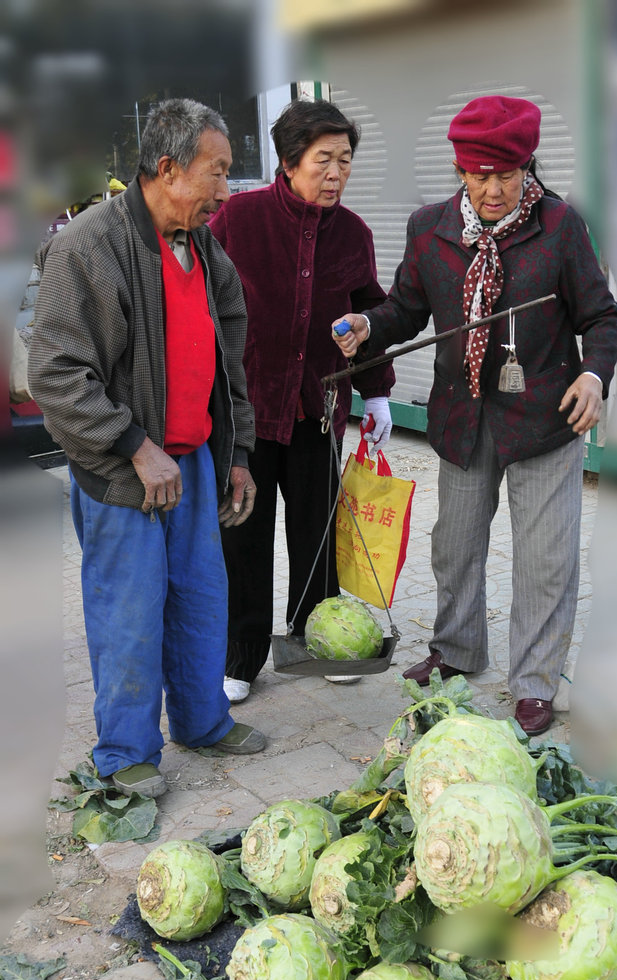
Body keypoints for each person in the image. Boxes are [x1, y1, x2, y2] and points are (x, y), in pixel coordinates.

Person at [334, 95, 617, 736]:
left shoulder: (559, 227)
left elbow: (601, 316)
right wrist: (366, 326)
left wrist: (594, 376)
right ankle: (457, 650)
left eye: (506, 174)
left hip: (546, 418)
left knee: (546, 560)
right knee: (455, 547)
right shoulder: (431, 228)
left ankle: (536, 682)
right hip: (463, 417)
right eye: (478, 174)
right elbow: (405, 309)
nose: (492, 189)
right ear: (460, 169)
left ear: (527, 166)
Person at [28, 98, 266, 798]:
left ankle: (202, 721)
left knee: (199, 598)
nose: (226, 190)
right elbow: (54, 374)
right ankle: (125, 755)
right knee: (128, 614)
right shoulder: (89, 245)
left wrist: (240, 453)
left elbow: (231, 364)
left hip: (193, 461)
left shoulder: (203, 246)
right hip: (124, 470)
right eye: (216, 172)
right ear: (167, 169)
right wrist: (133, 444)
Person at [209, 97, 394, 702]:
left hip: (319, 414)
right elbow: (195, 295)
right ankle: (242, 654)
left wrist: (378, 394)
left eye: (345, 160)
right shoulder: (239, 217)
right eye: (324, 160)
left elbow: (373, 311)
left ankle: (316, 636)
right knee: (245, 534)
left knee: (315, 534)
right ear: (289, 162)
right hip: (247, 414)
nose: (336, 173)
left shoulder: (355, 232)